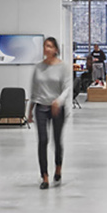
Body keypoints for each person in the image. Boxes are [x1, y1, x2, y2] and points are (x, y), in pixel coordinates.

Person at [27, 36, 69, 189]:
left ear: (56, 49)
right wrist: (30, 110)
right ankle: (44, 176)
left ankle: (58, 167)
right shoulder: (38, 67)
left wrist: (59, 101)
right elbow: (34, 90)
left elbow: (67, 87)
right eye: (45, 46)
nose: (47, 49)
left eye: (50, 46)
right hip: (41, 108)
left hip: (57, 108)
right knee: (43, 140)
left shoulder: (63, 67)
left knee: (57, 141)